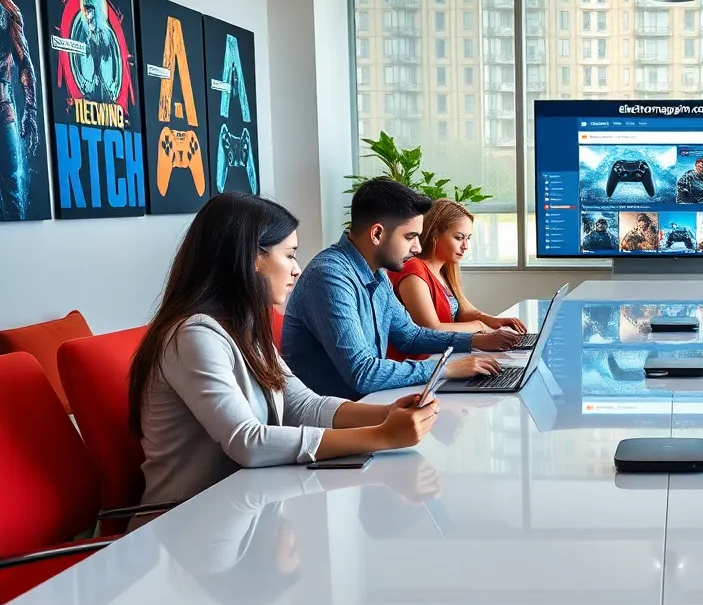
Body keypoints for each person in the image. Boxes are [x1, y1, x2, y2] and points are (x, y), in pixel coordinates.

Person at [129, 193, 473, 506]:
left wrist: (385, 414)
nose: (296, 268)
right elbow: (248, 442)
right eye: (289, 255)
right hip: (182, 526)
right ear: (252, 259)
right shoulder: (194, 336)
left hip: (241, 504)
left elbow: (302, 404)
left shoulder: (244, 327)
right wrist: (380, 436)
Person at [283, 178, 515, 401]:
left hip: (368, 405)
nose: (417, 247)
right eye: (410, 237)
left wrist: (475, 341)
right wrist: (445, 368)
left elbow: (410, 336)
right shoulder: (330, 276)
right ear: (377, 234)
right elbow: (362, 373)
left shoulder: (377, 275)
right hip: (333, 423)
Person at [388, 199, 526, 360]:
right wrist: (481, 327)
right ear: (435, 234)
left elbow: (465, 311)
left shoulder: (445, 269)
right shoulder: (413, 270)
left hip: (443, 358)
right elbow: (431, 329)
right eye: (459, 237)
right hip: (419, 366)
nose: (465, 246)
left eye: (468, 238)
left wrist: (494, 321)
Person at [0, 0, 40, 222]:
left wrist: (31, 110)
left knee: (12, 185)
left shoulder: (7, 11)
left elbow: (25, 62)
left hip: (2, 108)